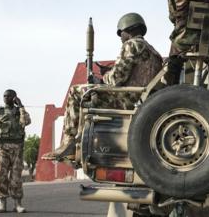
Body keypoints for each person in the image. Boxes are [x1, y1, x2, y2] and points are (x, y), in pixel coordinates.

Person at [42, 13, 162, 161]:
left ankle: (68, 143)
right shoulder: (154, 52)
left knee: (76, 91)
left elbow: (116, 79)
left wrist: (101, 79)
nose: (121, 37)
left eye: (121, 33)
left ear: (128, 29)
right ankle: (79, 140)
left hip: (125, 100)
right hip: (140, 99)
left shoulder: (131, 45)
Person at [0, 89, 31, 213]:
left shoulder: (19, 112)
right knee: (1, 176)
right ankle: (2, 204)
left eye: (8, 96)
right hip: (3, 148)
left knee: (16, 177)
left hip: (17, 148)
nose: (5, 97)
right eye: (4, 96)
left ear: (14, 97)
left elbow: (26, 122)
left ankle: (17, 204)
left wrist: (21, 106)